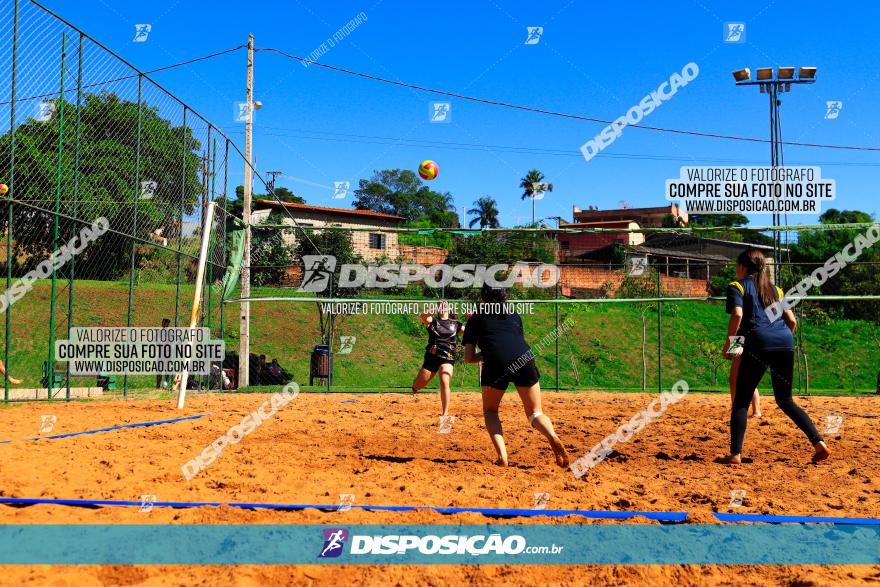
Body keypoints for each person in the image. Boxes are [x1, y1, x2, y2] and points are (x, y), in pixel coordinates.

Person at [718, 249, 830, 464]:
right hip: (785, 340)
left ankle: (735, 454)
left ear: (742, 266)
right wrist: (780, 341)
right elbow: (792, 321)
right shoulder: (776, 290)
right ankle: (819, 443)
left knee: (741, 400)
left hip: (758, 341)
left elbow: (739, 316)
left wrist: (729, 347)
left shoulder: (737, 286)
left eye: (736, 265)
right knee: (785, 400)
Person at [462, 284, 568, 468]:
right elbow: (512, 342)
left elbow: (469, 358)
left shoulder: (476, 317)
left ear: (483, 296)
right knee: (535, 412)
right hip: (524, 356)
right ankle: (551, 435)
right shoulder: (514, 315)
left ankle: (503, 457)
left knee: (491, 411)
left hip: (496, 362)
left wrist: (488, 352)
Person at [410, 300, 462, 417]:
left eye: (444, 305)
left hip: (448, 358)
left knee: (444, 381)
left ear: (449, 308)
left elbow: (469, 332)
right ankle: (414, 388)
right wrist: (433, 309)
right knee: (418, 385)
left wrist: (472, 319)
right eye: (440, 306)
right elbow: (423, 316)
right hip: (432, 358)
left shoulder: (455, 324)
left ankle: (445, 414)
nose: (442, 307)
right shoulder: (433, 321)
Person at [728, 352, 761, 418]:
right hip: (740, 347)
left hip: (748, 349)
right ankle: (735, 409)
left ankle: (756, 411)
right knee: (733, 380)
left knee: (750, 381)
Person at [156, 318, 171, 389]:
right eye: (163, 323)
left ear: (167, 324)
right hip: (161, 354)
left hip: (168, 354)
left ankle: (165, 386)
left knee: (167, 372)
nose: (163, 324)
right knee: (159, 371)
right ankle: (158, 385)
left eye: (165, 323)